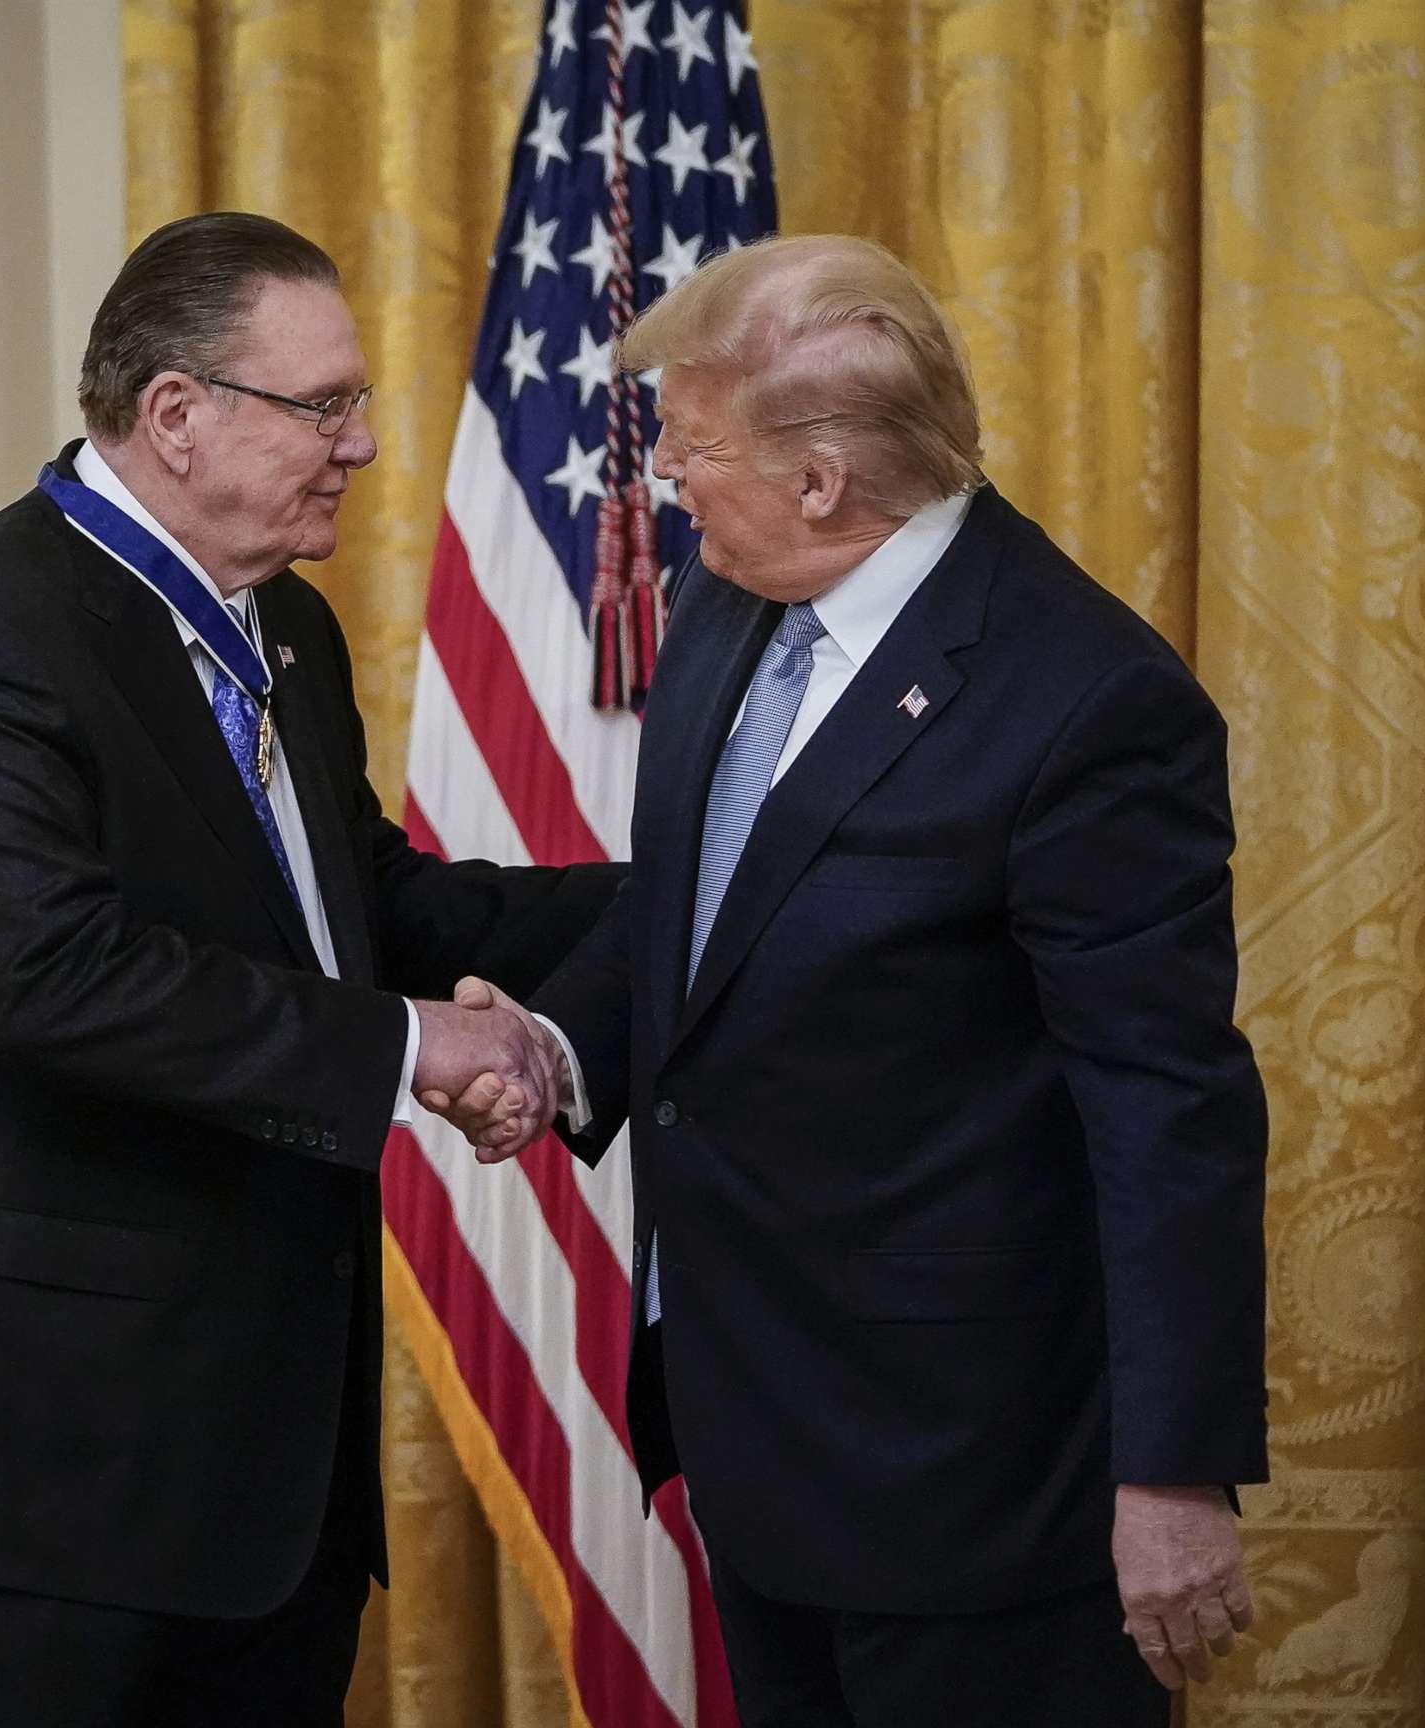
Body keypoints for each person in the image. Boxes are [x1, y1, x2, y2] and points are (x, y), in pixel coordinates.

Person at [0, 211, 603, 1728]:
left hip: (254, 1482)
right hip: (32, 1478)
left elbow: (365, 903)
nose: (358, 444)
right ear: (176, 415)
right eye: (325, 403)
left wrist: (678, 924)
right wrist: (414, 1049)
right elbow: (50, 978)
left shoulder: (280, 625)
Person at [428, 234, 1269, 1727]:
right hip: (755, 1443)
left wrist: (1172, 1474)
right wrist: (562, 1050)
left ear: (821, 481)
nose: (665, 484)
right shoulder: (730, 604)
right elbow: (698, 910)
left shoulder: (1084, 699)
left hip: (977, 1488)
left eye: (689, 446)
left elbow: (1168, 1107)